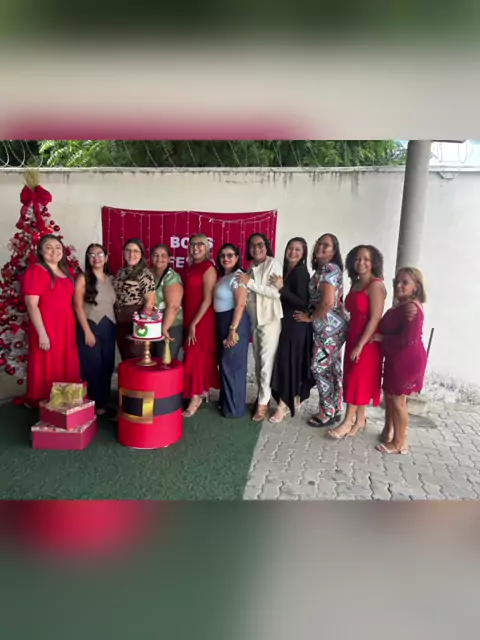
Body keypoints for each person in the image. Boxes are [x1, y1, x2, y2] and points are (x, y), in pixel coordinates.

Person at [328, 245, 386, 439]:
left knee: (356, 379)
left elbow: (375, 318)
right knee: (355, 379)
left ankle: (347, 422)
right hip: (353, 335)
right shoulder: (356, 283)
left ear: (374, 263)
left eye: (366, 259)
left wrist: (360, 345)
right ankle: (360, 420)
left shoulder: (376, 285)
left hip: (368, 340)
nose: (361, 263)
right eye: (358, 259)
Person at [294, 233, 348, 427]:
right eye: (319, 243)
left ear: (334, 251)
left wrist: (310, 317)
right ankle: (335, 408)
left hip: (329, 329)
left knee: (319, 367)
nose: (321, 247)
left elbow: (327, 302)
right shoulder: (323, 270)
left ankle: (327, 411)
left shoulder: (329, 269)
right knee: (332, 368)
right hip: (331, 327)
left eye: (326, 245)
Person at [373, 267, 428, 455]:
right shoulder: (402, 305)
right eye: (398, 281)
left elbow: (408, 340)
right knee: (390, 397)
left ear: (416, 287)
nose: (399, 285)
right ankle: (388, 432)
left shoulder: (411, 307)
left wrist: (382, 338)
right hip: (396, 357)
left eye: (405, 282)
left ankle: (400, 443)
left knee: (399, 402)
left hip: (407, 360)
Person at [23, 234, 81, 405]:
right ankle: (45, 402)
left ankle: (64, 401)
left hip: (66, 325)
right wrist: (42, 334)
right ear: (41, 251)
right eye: (49, 247)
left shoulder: (67, 272)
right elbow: (31, 305)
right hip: (46, 325)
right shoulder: (36, 271)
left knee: (65, 361)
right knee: (47, 362)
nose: (54, 251)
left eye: (58, 247)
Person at [237, 233, 283, 422]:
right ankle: (261, 397)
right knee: (258, 362)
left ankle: (263, 404)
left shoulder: (272, 264)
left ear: (266, 246)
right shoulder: (250, 267)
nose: (256, 248)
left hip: (270, 320)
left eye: (260, 244)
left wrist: (250, 283)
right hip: (255, 320)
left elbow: (275, 293)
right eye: (252, 246)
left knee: (266, 364)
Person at [269, 237, 314, 423]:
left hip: (296, 326)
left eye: (297, 249)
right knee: (287, 363)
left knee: (288, 365)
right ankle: (290, 399)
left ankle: (283, 405)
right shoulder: (288, 271)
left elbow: (303, 302)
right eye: (290, 248)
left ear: (303, 254)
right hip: (287, 324)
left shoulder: (301, 272)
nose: (293, 252)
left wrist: (282, 289)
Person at [74, 243, 117, 416]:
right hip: (90, 326)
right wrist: (87, 331)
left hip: (109, 326)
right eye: (91, 254)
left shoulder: (112, 279)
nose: (96, 257)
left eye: (99, 254)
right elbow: (77, 306)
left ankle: (103, 403)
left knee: (107, 366)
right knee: (92, 367)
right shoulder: (83, 278)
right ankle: (91, 405)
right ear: (88, 258)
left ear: (106, 258)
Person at [182, 234, 220, 417]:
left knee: (194, 358)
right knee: (195, 357)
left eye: (200, 244)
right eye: (192, 244)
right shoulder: (189, 267)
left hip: (201, 320)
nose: (195, 248)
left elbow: (207, 300)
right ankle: (200, 391)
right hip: (189, 317)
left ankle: (195, 398)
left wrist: (194, 323)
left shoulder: (209, 268)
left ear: (206, 248)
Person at [214, 243, 250, 418]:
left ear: (237, 257)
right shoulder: (225, 276)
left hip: (234, 322)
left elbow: (241, 304)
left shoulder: (237, 276)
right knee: (226, 364)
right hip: (223, 321)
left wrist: (233, 329)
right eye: (222, 256)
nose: (225, 259)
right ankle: (227, 403)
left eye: (230, 255)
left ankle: (234, 409)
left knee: (233, 365)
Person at [113, 238, 156, 360]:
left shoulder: (144, 273)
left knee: (136, 360)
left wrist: (140, 328)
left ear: (141, 254)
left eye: (136, 251)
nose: (131, 254)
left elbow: (150, 302)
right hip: (121, 321)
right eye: (128, 250)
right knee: (126, 359)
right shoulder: (121, 272)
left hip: (136, 322)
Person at [150, 244, 184, 361]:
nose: (159, 258)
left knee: (164, 363)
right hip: (153, 326)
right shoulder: (149, 274)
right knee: (152, 362)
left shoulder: (171, 277)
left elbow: (174, 306)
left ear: (169, 259)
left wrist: (164, 328)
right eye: (156, 255)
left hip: (169, 327)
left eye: (163, 256)